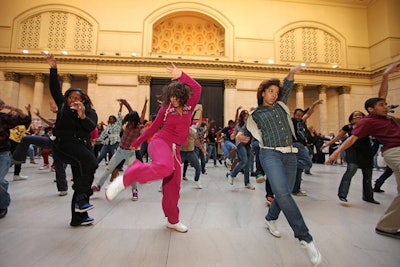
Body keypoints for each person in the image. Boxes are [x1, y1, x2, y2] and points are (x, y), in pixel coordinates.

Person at [105, 63, 201, 233]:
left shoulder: (189, 106)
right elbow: (153, 128)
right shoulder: (165, 109)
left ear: (183, 95)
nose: (173, 100)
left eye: (176, 96)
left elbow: (197, 87)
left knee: (173, 190)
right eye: (170, 96)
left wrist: (182, 75)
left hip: (176, 150)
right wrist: (139, 141)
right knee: (164, 167)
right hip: (160, 143)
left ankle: (173, 220)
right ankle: (128, 176)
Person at [243, 64, 322, 266]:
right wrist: (239, 136)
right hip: (269, 153)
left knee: (282, 192)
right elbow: (244, 131)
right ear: (262, 93)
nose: (274, 95)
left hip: (289, 154)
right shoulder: (256, 114)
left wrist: (292, 73)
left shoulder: (281, 106)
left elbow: (286, 87)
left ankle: (270, 218)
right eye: (270, 91)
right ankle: (305, 238)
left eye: (276, 92)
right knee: (284, 193)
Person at [327, 61, 400, 239]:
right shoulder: (368, 121)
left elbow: (381, 95)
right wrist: (336, 152)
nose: (385, 106)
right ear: (371, 109)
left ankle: (387, 226)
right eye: (381, 105)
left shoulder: (385, 116)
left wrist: (385, 75)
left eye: (385, 104)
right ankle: (385, 225)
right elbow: (351, 138)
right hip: (393, 151)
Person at [44, 53, 98, 227]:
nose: (73, 100)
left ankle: (78, 217)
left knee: (81, 178)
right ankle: (82, 198)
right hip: (64, 145)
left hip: (81, 148)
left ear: (83, 101)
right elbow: (54, 89)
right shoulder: (62, 107)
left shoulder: (89, 113)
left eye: (77, 98)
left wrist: (82, 116)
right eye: (71, 98)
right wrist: (53, 68)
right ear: (67, 99)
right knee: (91, 163)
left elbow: (91, 127)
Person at [323, 111, 379, 204]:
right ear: (352, 118)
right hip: (353, 151)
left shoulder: (367, 126)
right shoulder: (347, 127)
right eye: (356, 115)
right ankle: (342, 194)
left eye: (360, 115)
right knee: (350, 171)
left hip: (366, 152)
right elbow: (337, 137)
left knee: (368, 175)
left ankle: (368, 197)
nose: (358, 116)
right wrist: (327, 144)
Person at [92, 99, 142, 201]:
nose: (129, 123)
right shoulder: (128, 124)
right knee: (108, 169)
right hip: (120, 150)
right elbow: (130, 110)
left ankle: (135, 191)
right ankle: (98, 186)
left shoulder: (139, 127)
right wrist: (124, 102)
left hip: (130, 153)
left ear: (135, 121)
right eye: (128, 121)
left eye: (131, 121)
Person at [0, 99, 31, 218]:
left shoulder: (3, 118)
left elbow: (25, 120)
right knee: (1, 181)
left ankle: (3, 204)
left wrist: (15, 109)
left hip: (2, 153)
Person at [292, 100, 323, 196]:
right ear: (294, 115)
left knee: (299, 170)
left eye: (301, 115)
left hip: (301, 145)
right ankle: (290, 164)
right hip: (297, 144)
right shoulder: (291, 121)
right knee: (308, 163)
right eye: (298, 115)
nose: (300, 117)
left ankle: (296, 189)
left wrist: (314, 104)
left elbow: (308, 113)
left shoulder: (301, 121)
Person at [226, 109, 255, 190]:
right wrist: (232, 135)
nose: (247, 116)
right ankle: (232, 175)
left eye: (247, 115)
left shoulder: (250, 124)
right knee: (244, 161)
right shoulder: (239, 125)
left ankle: (247, 183)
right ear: (242, 116)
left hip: (248, 145)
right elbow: (235, 133)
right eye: (245, 115)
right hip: (240, 144)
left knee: (247, 165)